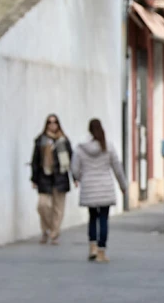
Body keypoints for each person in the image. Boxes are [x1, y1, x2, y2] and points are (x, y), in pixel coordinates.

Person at [72, 119, 128, 263]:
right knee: (103, 219)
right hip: (105, 187)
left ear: (89, 130)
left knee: (92, 218)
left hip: (89, 188)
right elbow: (118, 168)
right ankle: (101, 252)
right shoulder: (108, 147)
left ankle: (92, 247)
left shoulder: (81, 148)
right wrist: (123, 186)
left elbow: (74, 169)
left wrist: (78, 177)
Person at [30, 113, 73, 244]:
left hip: (60, 177)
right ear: (46, 124)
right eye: (50, 122)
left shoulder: (64, 140)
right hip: (45, 177)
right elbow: (35, 160)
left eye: (55, 122)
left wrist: (75, 177)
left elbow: (71, 159)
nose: (52, 124)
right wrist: (34, 178)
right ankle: (48, 229)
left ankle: (53, 234)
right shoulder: (41, 140)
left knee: (58, 209)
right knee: (43, 206)